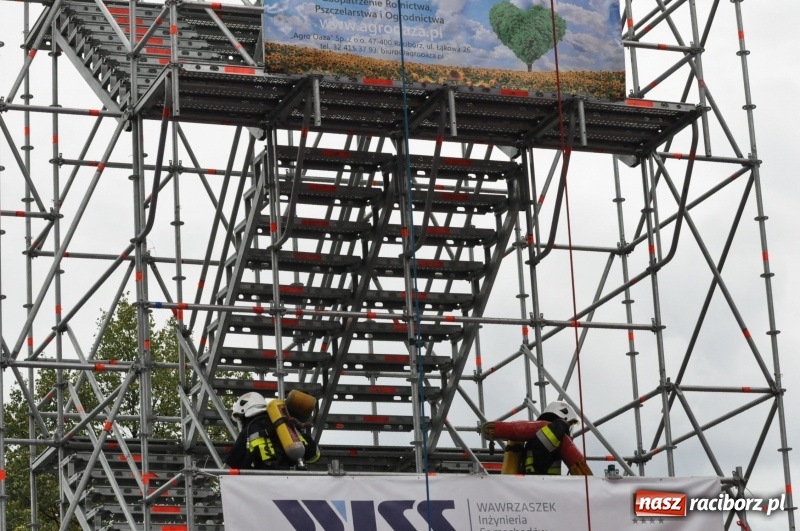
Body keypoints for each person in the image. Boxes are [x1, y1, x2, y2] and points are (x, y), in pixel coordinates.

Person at [482, 401, 592, 476]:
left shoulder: (535, 441)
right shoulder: (550, 436)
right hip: (544, 495)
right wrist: (561, 426)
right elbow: (545, 444)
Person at [225, 391, 321, 470]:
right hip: (293, 481)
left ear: (244, 412)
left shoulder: (248, 432)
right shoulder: (286, 424)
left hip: (265, 485)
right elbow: (314, 456)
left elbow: (233, 464)